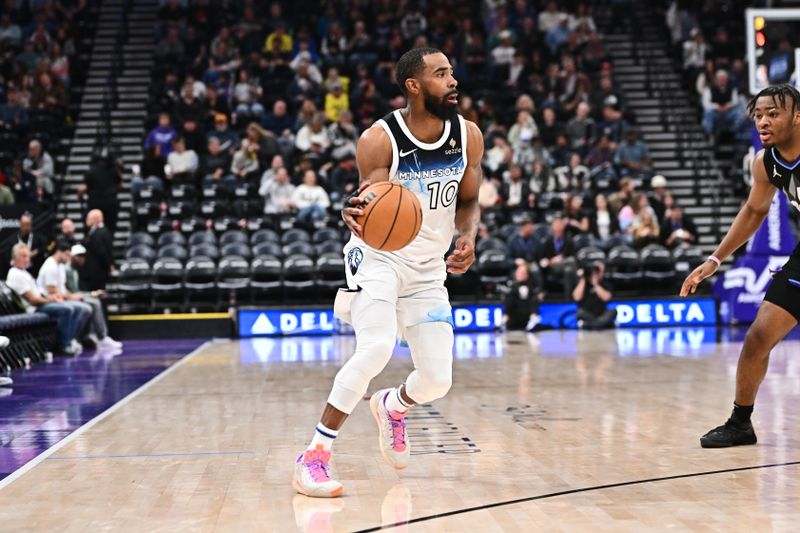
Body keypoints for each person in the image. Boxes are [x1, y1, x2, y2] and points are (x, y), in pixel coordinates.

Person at [293, 47, 483, 497]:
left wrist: (469, 237)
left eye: (452, 71)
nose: (453, 80)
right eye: (441, 74)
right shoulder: (380, 138)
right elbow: (370, 205)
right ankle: (314, 456)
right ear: (414, 86)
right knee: (376, 346)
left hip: (428, 269)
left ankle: (392, 405)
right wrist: (352, 211)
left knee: (438, 380)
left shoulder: (468, 135)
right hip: (378, 258)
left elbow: (470, 199)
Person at [681, 84, 800, 448]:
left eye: (773, 114)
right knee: (757, 337)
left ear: (798, 117)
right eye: (759, 115)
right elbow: (754, 211)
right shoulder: (765, 163)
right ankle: (740, 423)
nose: (763, 121)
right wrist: (715, 259)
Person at [6, 243, 85, 355]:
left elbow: (39, 295)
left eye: (28, 256)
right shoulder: (15, 274)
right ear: (15, 258)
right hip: (32, 309)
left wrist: (52, 297)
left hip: (39, 304)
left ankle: (70, 340)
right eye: (23, 256)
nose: (27, 259)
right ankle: (63, 345)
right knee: (67, 309)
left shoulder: (24, 273)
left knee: (74, 307)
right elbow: (33, 300)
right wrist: (52, 300)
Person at [36, 239, 93, 351]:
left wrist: (72, 296)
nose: (68, 259)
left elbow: (62, 289)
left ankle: (72, 338)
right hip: (47, 301)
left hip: (57, 299)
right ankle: (63, 343)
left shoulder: (60, 266)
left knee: (84, 308)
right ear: (59, 252)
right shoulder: (50, 266)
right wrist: (71, 298)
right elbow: (52, 292)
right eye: (67, 255)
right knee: (71, 308)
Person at [66, 244, 122, 350]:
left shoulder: (74, 271)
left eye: (83, 256)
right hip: (67, 298)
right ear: (72, 257)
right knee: (94, 303)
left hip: (74, 296)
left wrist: (92, 293)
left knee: (93, 301)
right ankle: (101, 337)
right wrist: (91, 294)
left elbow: (77, 292)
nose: (82, 259)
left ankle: (88, 336)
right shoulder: (67, 270)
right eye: (79, 256)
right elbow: (72, 293)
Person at [573, 261, 616, 329]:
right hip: (586, 313)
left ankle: (587, 324)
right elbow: (577, 298)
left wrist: (596, 284)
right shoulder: (582, 283)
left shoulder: (606, 283)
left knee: (613, 311)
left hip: (602, 313)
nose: (595, 273)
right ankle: (602, 324)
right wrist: (583, 278)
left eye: (598, 270)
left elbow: (607, 298)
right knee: (579, 312)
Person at [81, 209, 114, 291]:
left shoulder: (99, 233)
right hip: (96, 271)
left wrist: (108, 265)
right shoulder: (99, 231)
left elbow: (102, 252)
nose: (86, 220)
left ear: (96, 219)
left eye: (89, 218)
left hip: (96, 272)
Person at [504, 263, 542, 331]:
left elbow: (537, 291)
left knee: (534, 298)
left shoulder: (532, 285)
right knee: (510, 298)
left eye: (522, 273)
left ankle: (533, 320)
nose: (520, 274)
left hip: (527, 311)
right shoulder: (512, 285)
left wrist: (530, 292)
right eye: (518, 272)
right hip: (515, 313)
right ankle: (503, 320)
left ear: (527, 275)